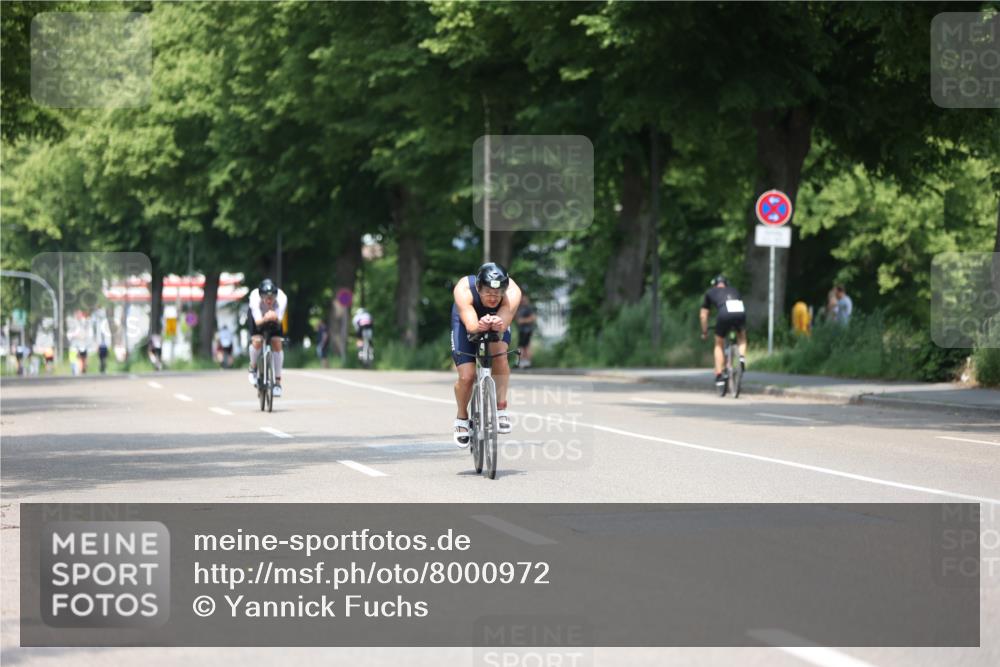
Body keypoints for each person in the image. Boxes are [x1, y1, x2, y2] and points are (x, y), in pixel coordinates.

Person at [451, 262, 521, 447]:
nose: (493, 298)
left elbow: (504, 320)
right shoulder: (464, 288)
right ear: (478, 288)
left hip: (497, 318)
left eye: (497, 294)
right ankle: (462, 418)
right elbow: (472, 326)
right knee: (467, 376)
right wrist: (478, 326)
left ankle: (501, 408)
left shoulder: (512, 292)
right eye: (489, 292)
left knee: (500, 354)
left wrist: (498, 323)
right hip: (467, 317)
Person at [699, 274, 747, 391]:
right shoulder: (734, 290)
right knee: (742, 336)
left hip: (724, 313)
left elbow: (703, 315)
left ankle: (719, 375)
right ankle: (741, 358)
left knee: (718, 343)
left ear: (715, 284)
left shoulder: (711, 292)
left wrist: (705, 331)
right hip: (739, 312)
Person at [247, 278, 288, 397]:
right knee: (257, 340)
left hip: (274, 319)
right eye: (266, 297)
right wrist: (266, 318)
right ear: (261, 296)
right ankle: (253, 367)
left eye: (272, 297)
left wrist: (273, 317)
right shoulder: (254, 298)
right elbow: (258, 322)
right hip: (258, 319)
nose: (269, 300)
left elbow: (279, 320)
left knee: (277, 343)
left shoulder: (282, 298)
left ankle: (277, 382)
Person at [515, 294, 537, 369]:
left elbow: (533, 318)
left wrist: (523, 321)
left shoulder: (528, 308)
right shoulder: (520, 308)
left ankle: (527, 362)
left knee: (526, 346)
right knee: (522, 346)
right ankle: (521, 362)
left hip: (527, 330)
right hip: (521, 330)